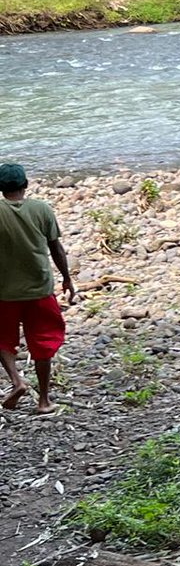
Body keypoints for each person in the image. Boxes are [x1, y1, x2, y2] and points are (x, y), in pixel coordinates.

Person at [0, 164, 75, 413]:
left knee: (2, 340)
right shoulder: (41, 209)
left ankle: (17, 381)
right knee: (43, 343)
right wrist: (67, 278)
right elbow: (56, 248)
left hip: (4, 291)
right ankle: (44, 401)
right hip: (40, 288)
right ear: (25, 185)